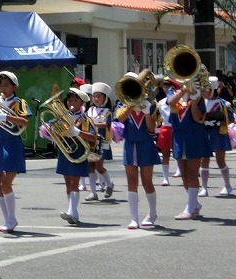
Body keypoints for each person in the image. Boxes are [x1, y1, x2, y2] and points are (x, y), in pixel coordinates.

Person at [113, 78, 160, 229]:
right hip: (130, 145)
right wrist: (131, 105)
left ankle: (152, 214)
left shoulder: (151, 105)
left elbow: (152, 129)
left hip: (146, 145)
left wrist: (147, 112)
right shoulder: (122, 104)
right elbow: (120, 118)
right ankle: (134, 218)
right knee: (131, 181)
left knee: (147, 182)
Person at [49, 88, 99, 225]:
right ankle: (73, 212)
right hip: (65, 150)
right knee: (67, 182)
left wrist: (78, 132)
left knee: (74, 182)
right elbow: (56, 134)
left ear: (81, 103)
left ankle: (72, 211)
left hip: (78, 151)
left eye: (75, 100)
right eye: (70, 100)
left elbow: (93, 137)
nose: (71, 103)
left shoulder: (85, 119)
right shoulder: (63, 117)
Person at [0, 71, 30, 233]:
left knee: (6, 183)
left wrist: (5, 117)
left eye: (6, 85)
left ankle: (12, 218)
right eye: (0, 85)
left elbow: (25, 121)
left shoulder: (20, 102)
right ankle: (7, 219)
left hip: (12, 143)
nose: (2, 88)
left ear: (14, 86)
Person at [168, 80, 209, 220]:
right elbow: (170, 103)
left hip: (194, 137)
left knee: (192, 173)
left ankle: (190, 208)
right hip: (179, 138)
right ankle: (195, 204)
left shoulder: (198, 98)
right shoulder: (175, 95)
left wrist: (194, 100)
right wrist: (184, 91)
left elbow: (198, 117)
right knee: (184, 174)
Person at [200, 77, 234, 197]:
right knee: (204, 160)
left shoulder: (223, 103)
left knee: (220, 160)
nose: (203, 92)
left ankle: (228, 186)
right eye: (202, 90)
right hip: (205, 132)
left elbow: (230, 119)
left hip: (218, 133)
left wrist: (217, 122)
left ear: (212, 89)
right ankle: (204, 188)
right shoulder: (201, 102)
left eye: (206, 89)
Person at [84, 82, 116, 200]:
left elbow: (106, 124)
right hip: (89, 141)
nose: (96, 99)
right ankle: (93, 192)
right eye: (94, 96)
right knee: (90, 167)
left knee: (99, 166)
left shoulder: (107, 111)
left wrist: (93, 124)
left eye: (99, 96)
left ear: (105, 98)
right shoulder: (89, 110)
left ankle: (109, 184)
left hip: (101, 142)